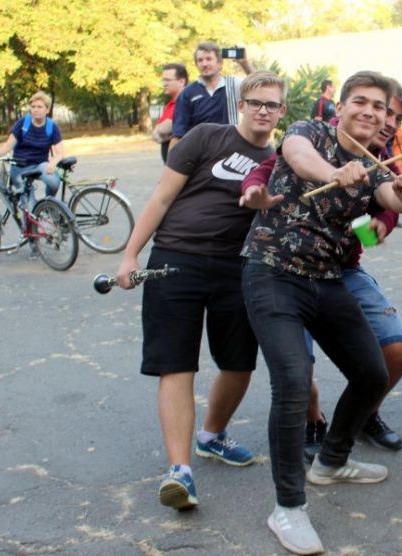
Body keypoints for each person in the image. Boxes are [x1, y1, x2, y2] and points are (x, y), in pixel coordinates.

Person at [239, 71, 402, 555]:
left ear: (388, 117)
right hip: (273, 271)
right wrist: (333, 173)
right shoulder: (310, 132)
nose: (369, 111)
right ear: (339, 107)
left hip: (328, 278)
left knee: (370, 373)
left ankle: (333, 460)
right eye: (358, 102)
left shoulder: (379, 165)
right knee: (294, 382)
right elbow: (299, 160)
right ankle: (288, 508)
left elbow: (384, 200)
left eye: (379, 107)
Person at [115, 71, 287, 511]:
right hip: (176, 259)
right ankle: (181, 471)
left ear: (282, 112)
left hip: (237, 268)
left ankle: (212, 435)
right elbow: (160, 198)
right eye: (256, 102)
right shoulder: (206, 137)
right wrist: (130, 256)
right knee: (176, 365)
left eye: (273, 104)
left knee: (239, 365)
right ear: (242, 105)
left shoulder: (280, 162)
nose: (264, 110)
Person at [0, 91, 65, 259]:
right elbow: (7, 146)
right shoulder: (23, 124)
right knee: (27, 205)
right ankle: (33, 244)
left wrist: (52, 164)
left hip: (40, 164)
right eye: (33, 107)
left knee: (54, 180)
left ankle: (49, 205)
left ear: (47, 109)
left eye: (39, 107)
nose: (35, 110)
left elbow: (60, 153)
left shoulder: (51, 127)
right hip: (19, 167)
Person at [169, 41, 253, 148]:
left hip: (230, 150)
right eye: (200, 60)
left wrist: (245, 63)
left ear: (220, 63)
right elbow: (178, 133)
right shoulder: (187, 93)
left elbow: (262, 86)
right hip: (200, 154)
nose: (204, 64)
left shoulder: (233, 85)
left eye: (209, 59)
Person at [152, 63, 188, 163]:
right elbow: (156, 132)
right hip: (172, 163)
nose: (164, 84)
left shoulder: (186, 102)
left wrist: (162, 131)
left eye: (167, 80)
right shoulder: (171, 104)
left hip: (181, 162)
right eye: (163, 80)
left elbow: (164, 129)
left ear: (181, 81)